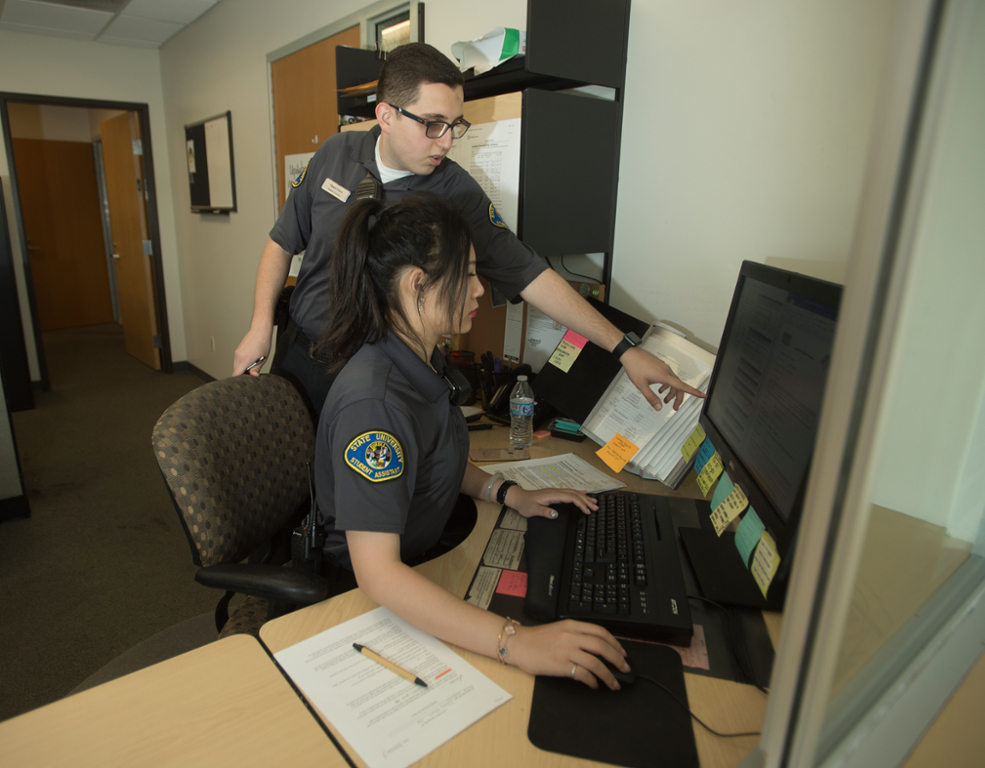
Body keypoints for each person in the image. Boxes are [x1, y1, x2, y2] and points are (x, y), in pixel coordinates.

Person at [233, 42, 703, 421]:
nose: (448, 141)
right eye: (433, 124)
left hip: (380, 374)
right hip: (302, 354)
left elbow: (527, 272)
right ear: (386, 115)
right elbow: (281, 241)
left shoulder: (453, 190)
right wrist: (259, 327)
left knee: (362, 504)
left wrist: (622, 348)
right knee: (289, 483)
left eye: (455, 124)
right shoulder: (335, 154)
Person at [314, 192, 630, 690]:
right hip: (368, 596)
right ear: (417, 284)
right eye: (467, 275)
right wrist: (514, 641)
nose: (481, 290)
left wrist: (507, 493)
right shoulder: (373, 405)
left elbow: (433, 456)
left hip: (426, 556)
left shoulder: (419, 355)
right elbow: (378, 576)